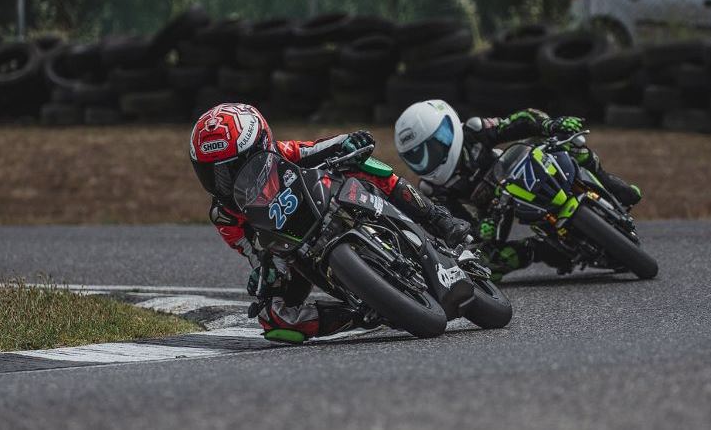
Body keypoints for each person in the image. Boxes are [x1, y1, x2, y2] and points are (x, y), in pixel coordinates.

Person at [189, 103, 470, 344]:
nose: (223, 181)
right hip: (289, 249)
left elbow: (322, 147)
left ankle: (437, 218)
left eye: (232, 168)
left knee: (363, 164)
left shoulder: (282, 153)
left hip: (325, 201)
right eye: (212, 174)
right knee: (275, 320)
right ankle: (357, 316)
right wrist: (263, 272)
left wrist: (348, 142)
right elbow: (250, 249)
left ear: (260, 148)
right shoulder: (224, 214)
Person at [393, 100, 641, 281]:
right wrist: (480, 232)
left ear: (448, 131)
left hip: (520, 169)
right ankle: (544, 250)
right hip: (496, 210)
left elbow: (522, 120)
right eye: (417, 156)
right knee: (487, 261)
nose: (427, 159)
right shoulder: (433, 190)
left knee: (573, 146)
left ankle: (611, 185)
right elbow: (457, 227)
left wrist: (550, 125)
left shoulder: (474, 131)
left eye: (432, 148)